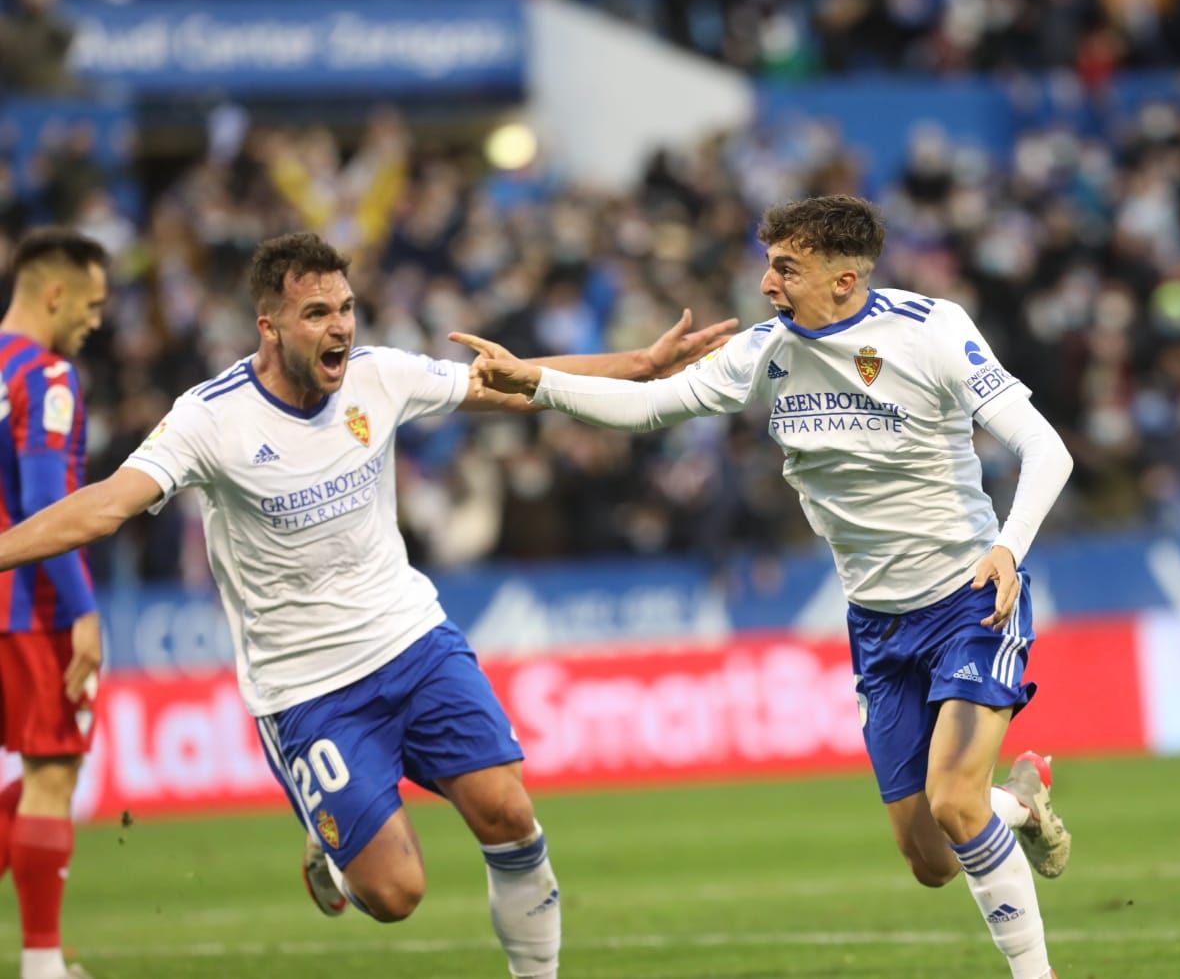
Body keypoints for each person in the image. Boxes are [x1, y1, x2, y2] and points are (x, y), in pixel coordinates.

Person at [0, 232, 733, 978]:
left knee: (508, 813)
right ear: (270, 326)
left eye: (346, 308)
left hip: (413, 641)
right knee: (394, 894)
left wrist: (639, 366)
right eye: (317, 312)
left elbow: (509, 381)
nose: (341, 327)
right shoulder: (209, 418)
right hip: (307, 689)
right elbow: (104, 506)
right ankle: (335, 853)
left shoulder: (380, 375)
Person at [454, 195, 1074, 979]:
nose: (767, 284)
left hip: (970, 599)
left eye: (787, 268)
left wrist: (1010, 549)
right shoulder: (766, 351)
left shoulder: (933, 330)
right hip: (878, 626)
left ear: (845, 281)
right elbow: (648, 405)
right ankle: (1019, 801)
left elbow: (1047, 450)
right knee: (931, 859)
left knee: (955, 802)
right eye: (769, 263)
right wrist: (533, 380)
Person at [0, 228, 107, 979]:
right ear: (56, 292)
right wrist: (83, 612)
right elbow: (46, 501)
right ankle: (42, 966)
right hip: (29, 604)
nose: (96, 321)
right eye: (93, 304)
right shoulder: (47, 377)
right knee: (51, 772)